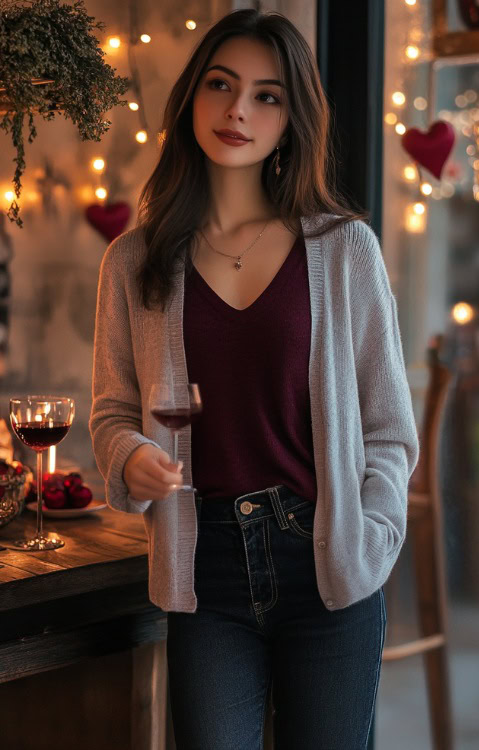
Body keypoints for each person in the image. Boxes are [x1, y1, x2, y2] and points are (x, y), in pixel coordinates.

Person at [90, 8, 420, 750]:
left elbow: (389, 431)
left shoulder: (346, 251)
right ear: (192, 100)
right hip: (202, 571)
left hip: (327, 559)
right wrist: (129, 456)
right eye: (221, 84)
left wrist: (371, 534)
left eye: (267, 95)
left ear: (291, 118)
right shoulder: (134, 261)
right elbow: (111, 411)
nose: (239, 109)